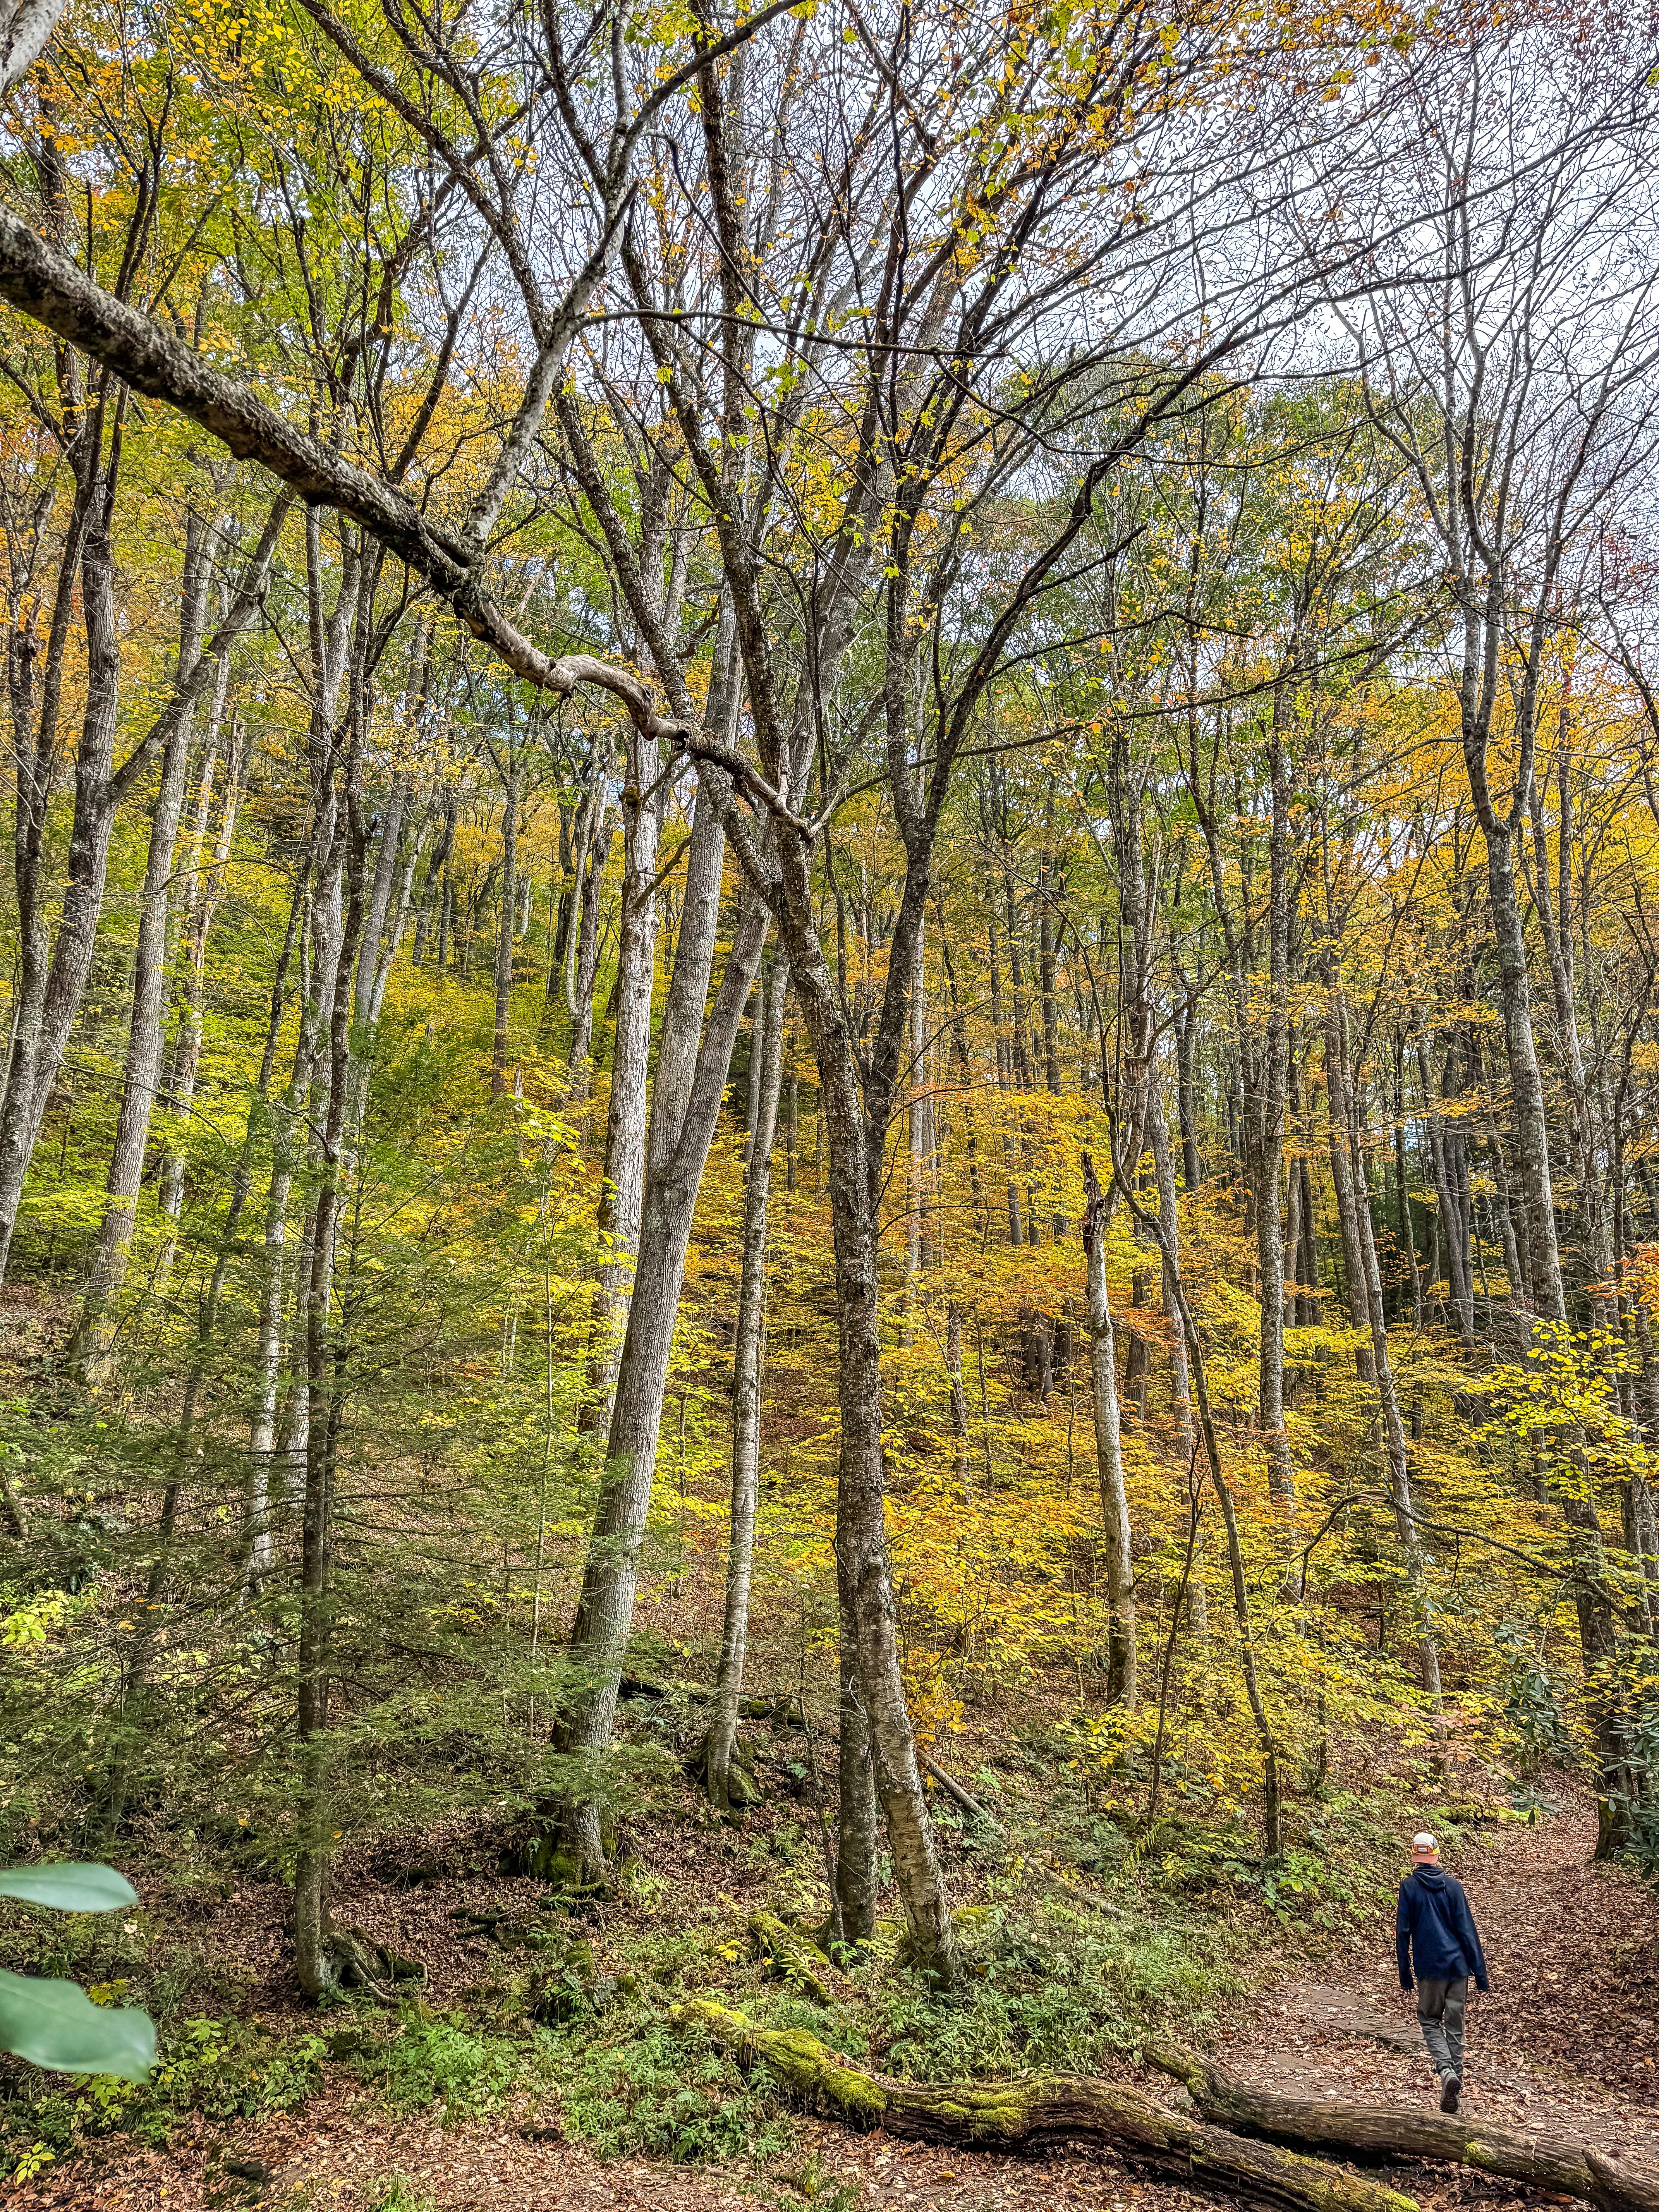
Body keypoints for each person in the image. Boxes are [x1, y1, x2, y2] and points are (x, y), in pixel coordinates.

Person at [1396, 1830, 1489, 2113]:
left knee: (1429, 2020)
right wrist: (1480, 1972)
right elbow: (1467, 1931)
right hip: (1458, 1967)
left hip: (1430, 1969)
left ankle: (1446, 2072)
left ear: (1415, 1856)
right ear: (1436, 1855)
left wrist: (1405, 1972)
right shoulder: (1454, 1888)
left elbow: (1403, 1932)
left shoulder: (1409, 1888)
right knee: (1455, 2027)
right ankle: (1455, 2086)